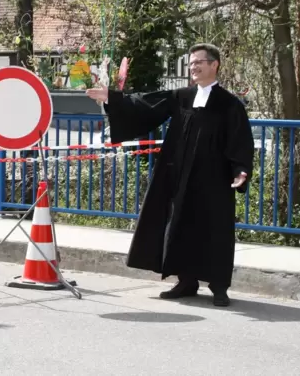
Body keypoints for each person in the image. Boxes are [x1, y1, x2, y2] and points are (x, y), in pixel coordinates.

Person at [86, 43, 254, 307]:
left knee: (214, 231)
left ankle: (219, 286)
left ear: (214, 65)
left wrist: (241, 170)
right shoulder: (182, 96)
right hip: (181, 176)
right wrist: (113, 98)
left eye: (199, 62)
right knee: (180, 225)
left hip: (214, 180)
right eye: (191, 63)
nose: (194, 67)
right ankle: (186, 281)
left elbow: (240, 140)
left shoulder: (229, 104)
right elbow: (145, 104)